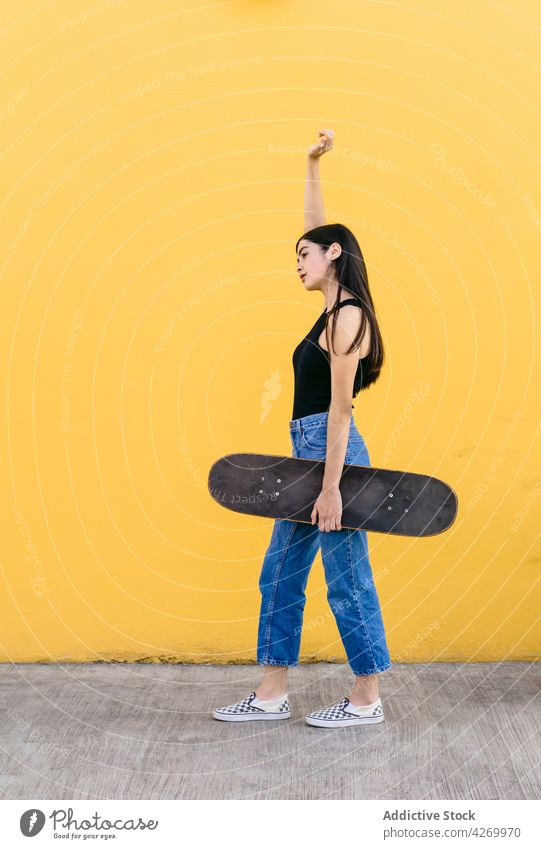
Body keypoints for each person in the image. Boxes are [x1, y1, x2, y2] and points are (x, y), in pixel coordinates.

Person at [213, 129, 391, 728]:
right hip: (307, 449)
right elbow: (320, 228)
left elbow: (341, 412)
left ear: (333, 256)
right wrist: (311, 166)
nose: (297, 263)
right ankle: (270, 695)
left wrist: (334, 487)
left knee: (346, 577)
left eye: (304, 256)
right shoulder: (330, 308)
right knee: (281, 573)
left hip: (331, 453)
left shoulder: (347, 320)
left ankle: (366, 697)